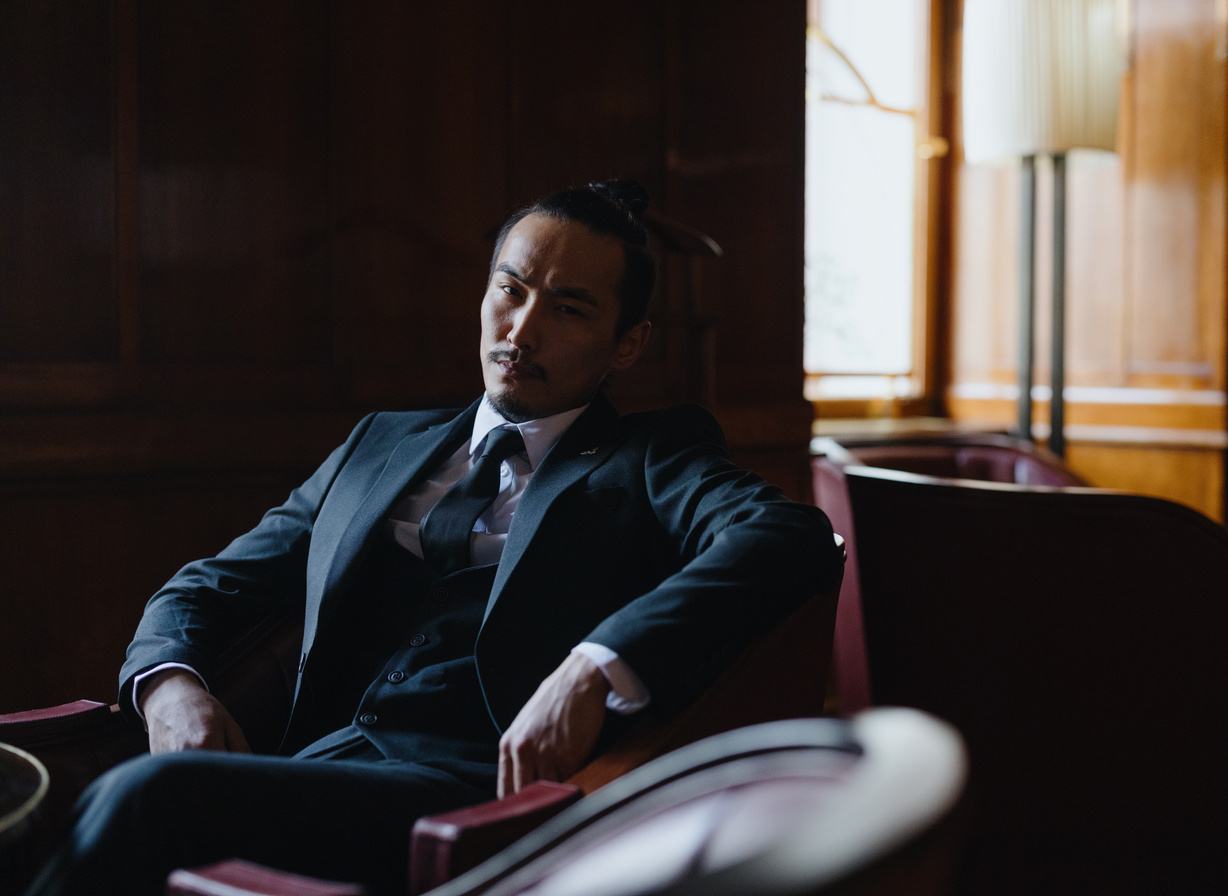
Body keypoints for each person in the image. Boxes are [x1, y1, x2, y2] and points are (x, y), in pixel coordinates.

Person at [26, 181, 841, 896]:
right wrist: (172, 684)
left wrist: (594, 667)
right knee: (48, 788)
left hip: (468, 793)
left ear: (627, 344)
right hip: (311, 764)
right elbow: (209, 585)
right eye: (510, 290)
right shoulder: (380, 445)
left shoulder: (651, 456)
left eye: (569, 308)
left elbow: (787, 534)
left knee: (145, 799)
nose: (521, 330)